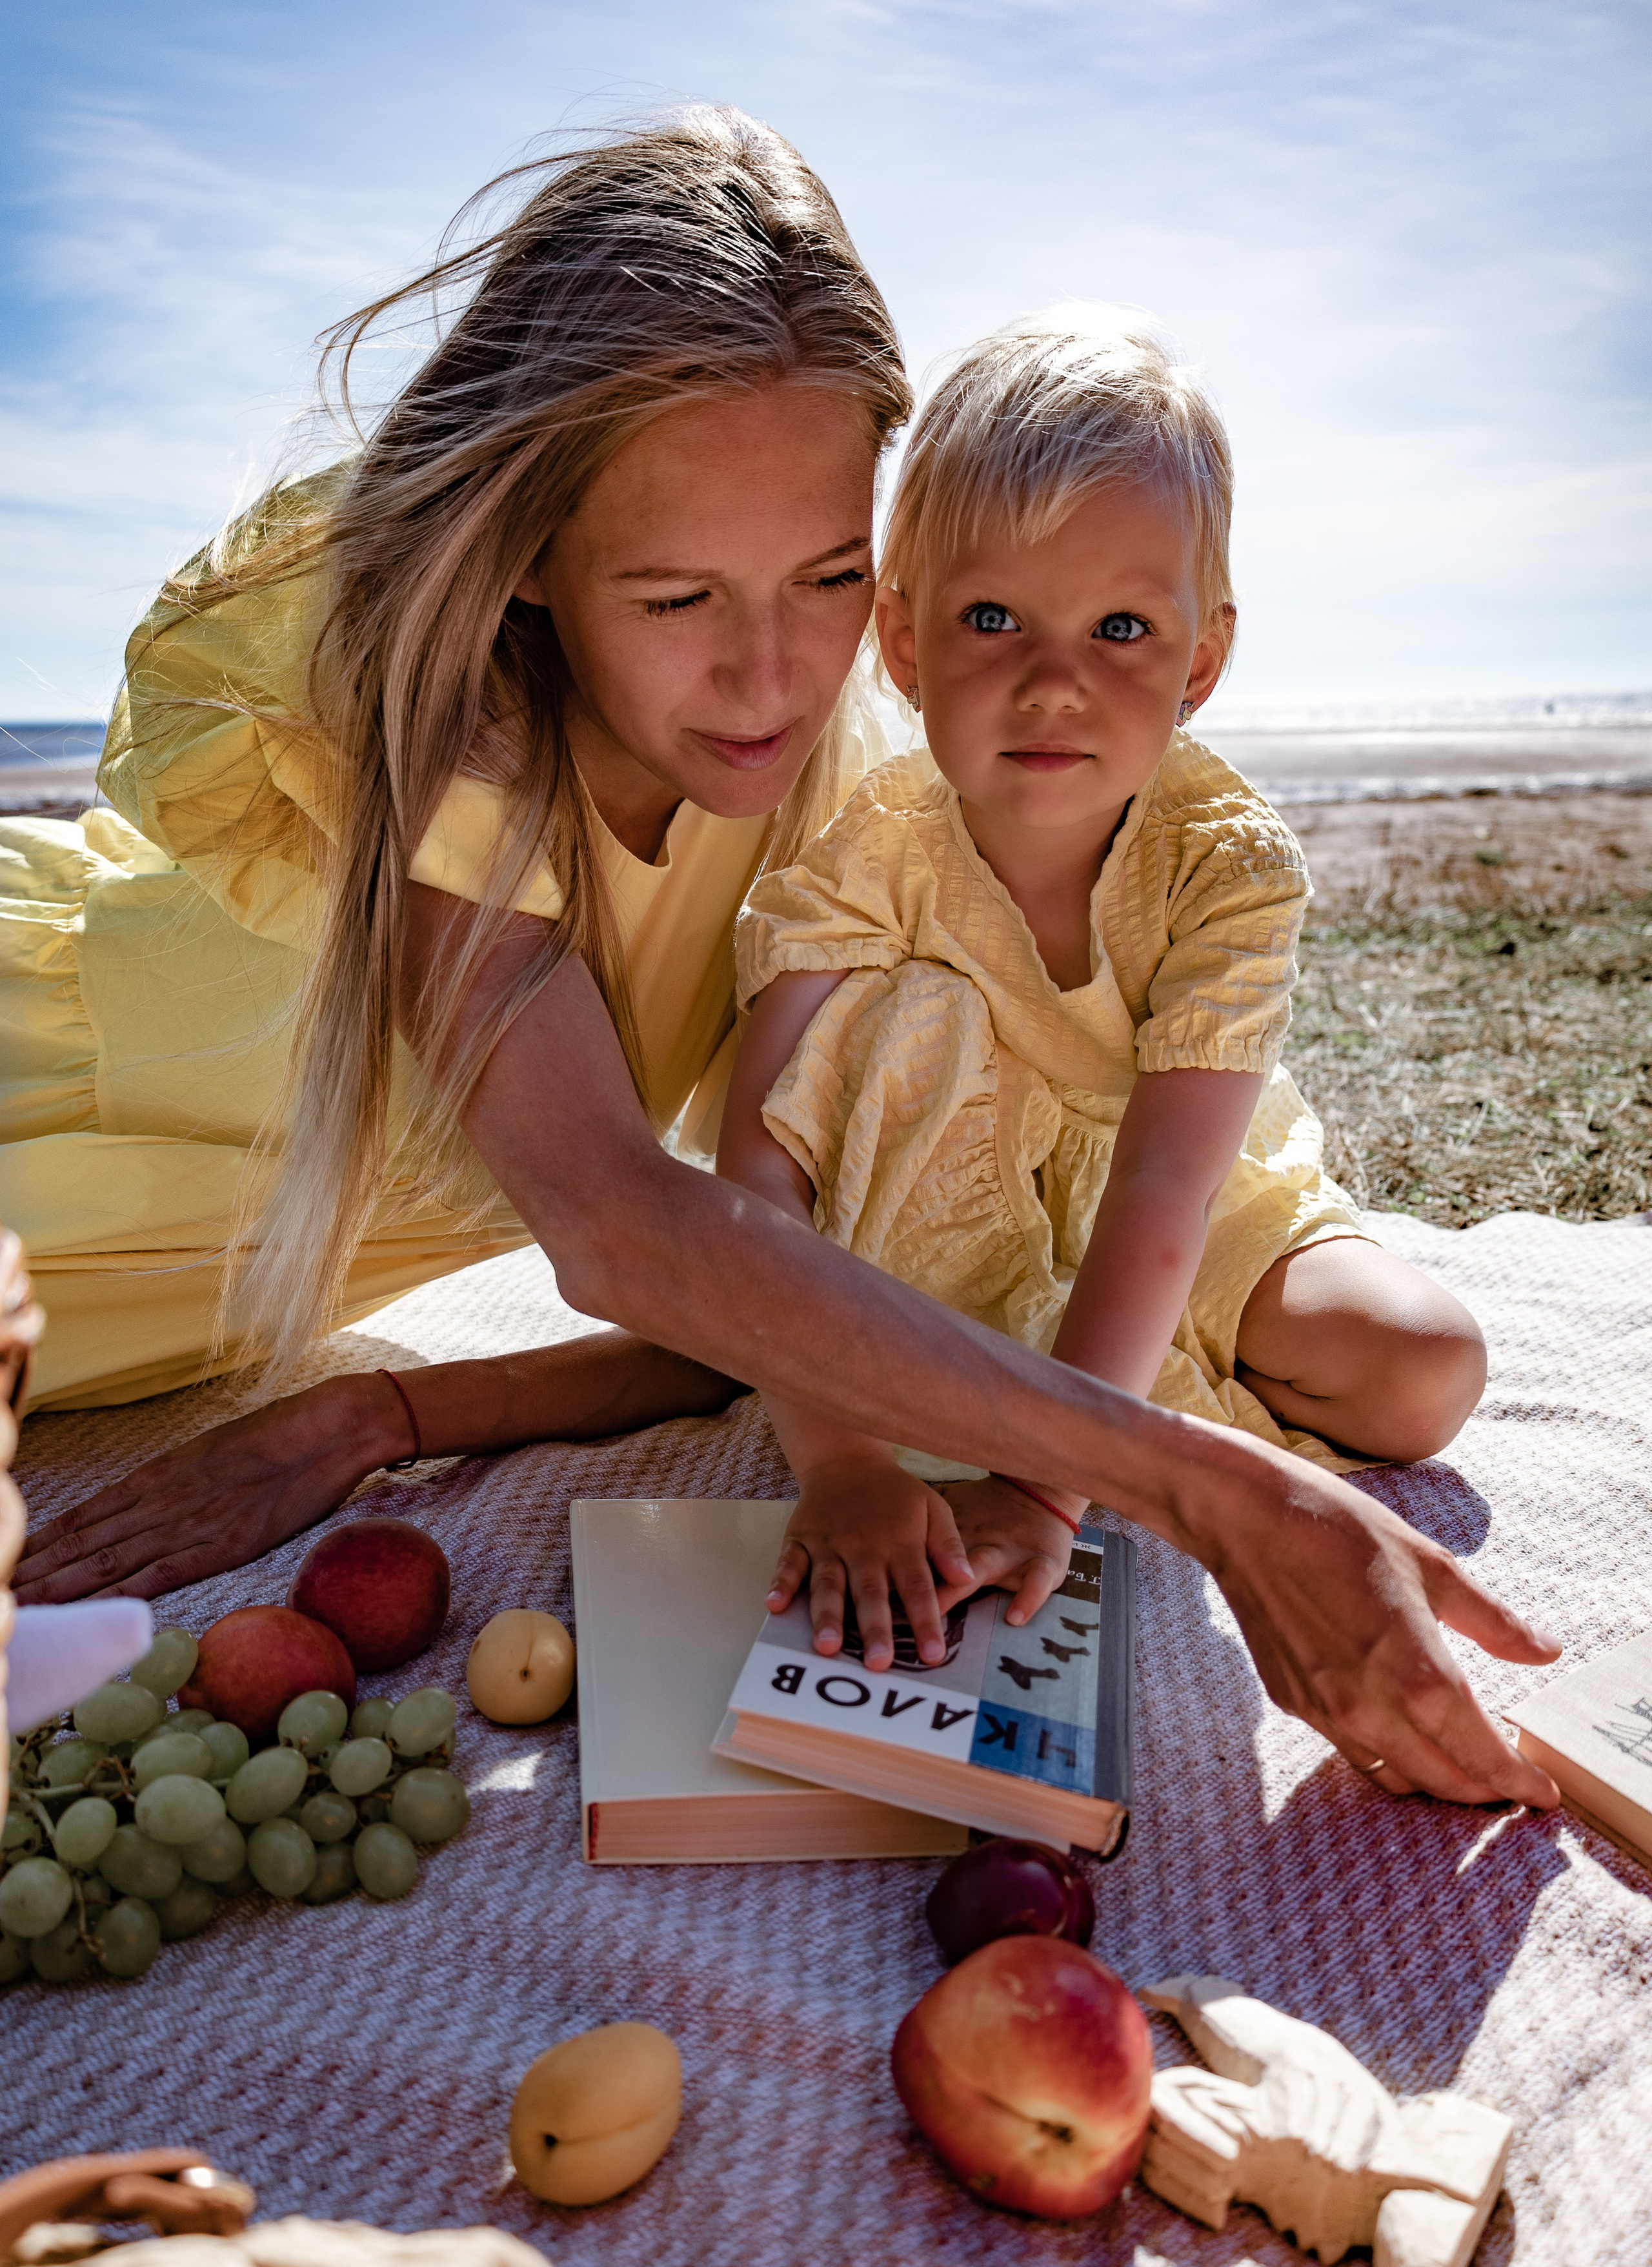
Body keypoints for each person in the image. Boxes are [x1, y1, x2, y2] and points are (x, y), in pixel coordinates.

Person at [6, 111, 1560, 1810]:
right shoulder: (461, 740)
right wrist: (1205, 1489)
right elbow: (620, 1225)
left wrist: (379, 1418)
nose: (770, 677)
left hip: (127, 1334)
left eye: (829, 578)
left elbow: (754, 1268)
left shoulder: (811, 809)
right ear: (532, 560)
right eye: (678, 598)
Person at [718, 312, 1489, 1667]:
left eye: (1119, 627)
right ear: (903, 644)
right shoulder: (861, 855)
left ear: (1197, 664)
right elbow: (757, 1171)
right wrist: (837, 1458)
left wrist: (1041, 1490)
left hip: (1163, 1205)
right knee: (903, 1055)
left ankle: (1091, 1391)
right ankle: (1003, 1375)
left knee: (1422, 1369)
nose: (1054, 682)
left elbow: (1165, 1192)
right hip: (932, 1215)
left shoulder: (1225, 866)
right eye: (993, 617)